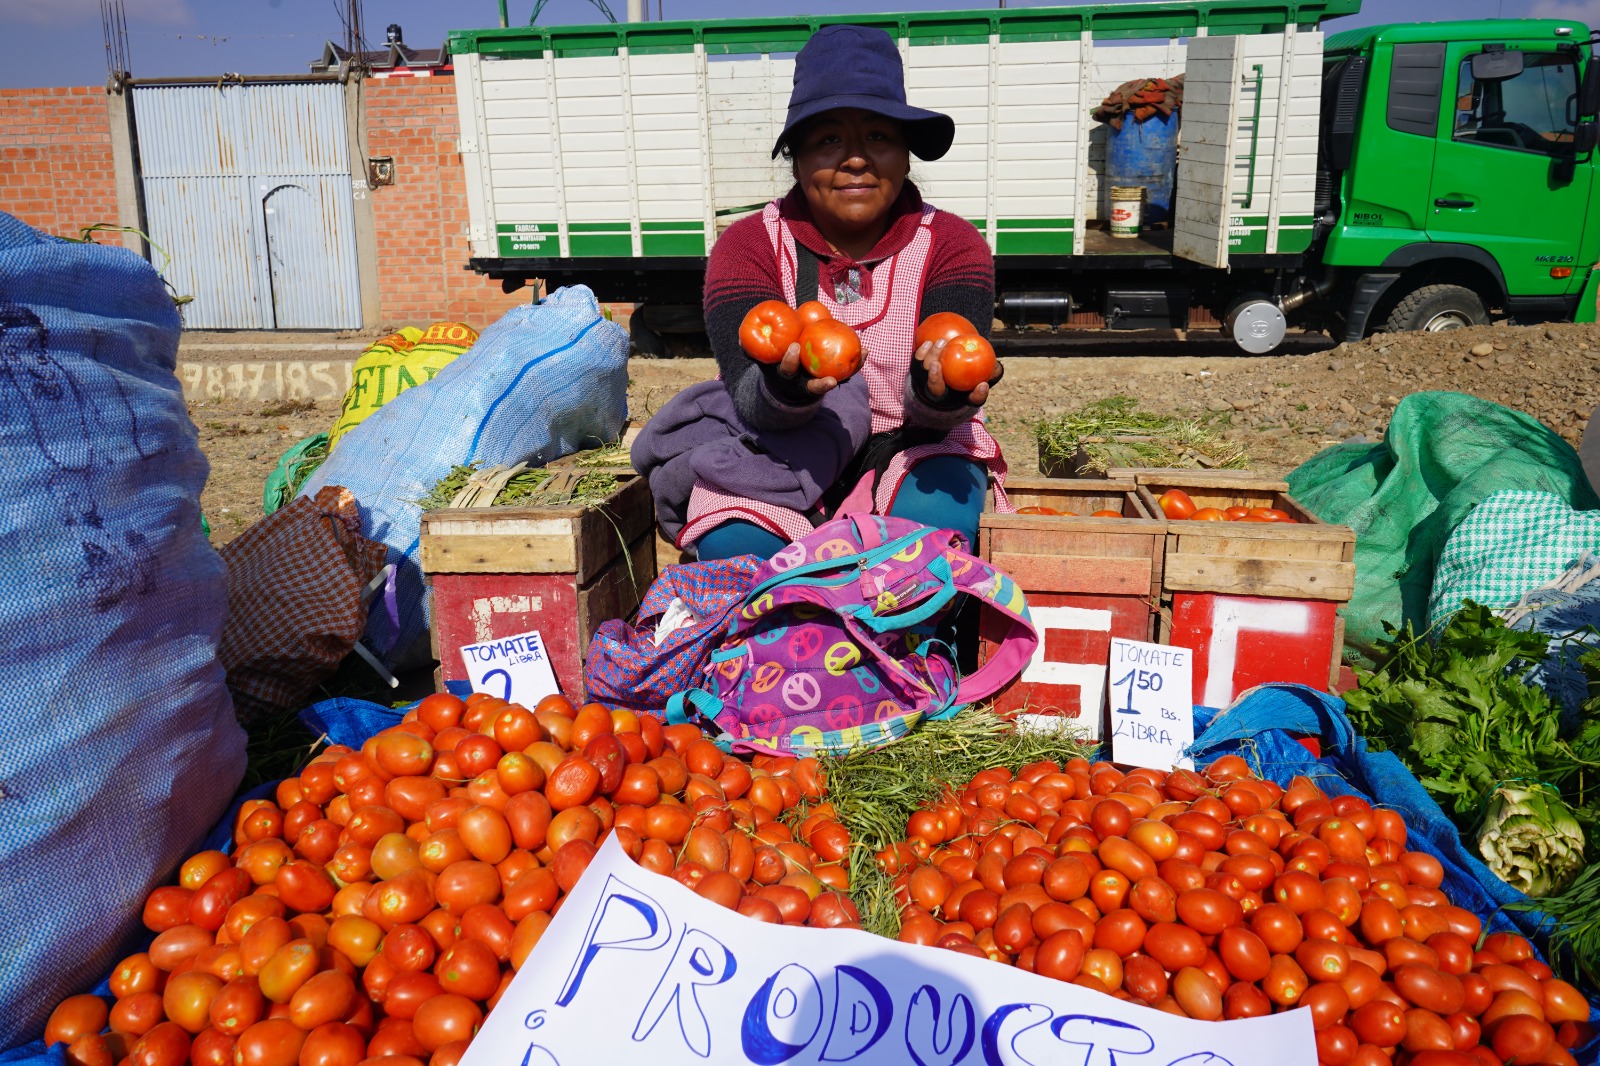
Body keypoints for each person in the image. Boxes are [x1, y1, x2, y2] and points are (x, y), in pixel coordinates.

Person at [633, 24, 1008, 561]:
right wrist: (788, 392)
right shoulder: (747, 246)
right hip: (783, 448)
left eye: (878, 137)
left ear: (906, 154)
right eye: (829, 140)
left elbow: (947, 376)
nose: (855, 159)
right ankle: (786, 641)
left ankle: (920, 642)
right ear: (798, 157)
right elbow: (749, 401)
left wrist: (940, 395)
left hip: (918, 443)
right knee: (738, 548)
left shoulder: (951, 243)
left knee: (935, 539)